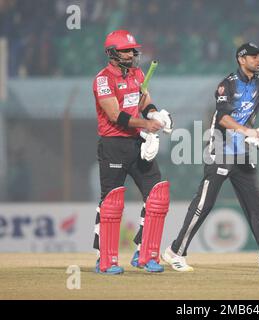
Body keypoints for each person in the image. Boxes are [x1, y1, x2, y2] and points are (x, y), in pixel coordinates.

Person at [162, 42, 259, 273]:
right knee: (204, 204)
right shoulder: (227, 85)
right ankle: (175, 252)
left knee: (256, 204)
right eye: (254, 56)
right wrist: (249, 131)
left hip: (243, 154)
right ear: (241, 59)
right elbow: (222, 118)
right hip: (220, 151)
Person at [92, 30, 173, 274]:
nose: (132, 53)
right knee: (111, 202)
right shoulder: (103, 79)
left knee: (157, 196)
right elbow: (115, 115)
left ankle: (145, 253)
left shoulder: (137, 74)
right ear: (113, 53)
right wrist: (146, 124)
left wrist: (155, 114)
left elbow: (144, 101)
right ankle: (105, 260)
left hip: (136, 143)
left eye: (132, 49)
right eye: (126, 50)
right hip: (113, 145)